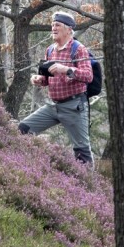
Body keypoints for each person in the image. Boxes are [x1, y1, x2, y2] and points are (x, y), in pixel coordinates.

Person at [18, 11, 94, 165]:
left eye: (57, 25)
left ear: (68, 29)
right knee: (22, 129)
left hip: (74, 106)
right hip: (52, 106)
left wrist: (65, 69)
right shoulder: (50, 50)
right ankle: (24, 164)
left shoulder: (78, 49)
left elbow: (88, 76)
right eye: (52, 25)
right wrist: (39, 79)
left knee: (82, 151)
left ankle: (89, 185)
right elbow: (47, 78)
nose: (53, 28)